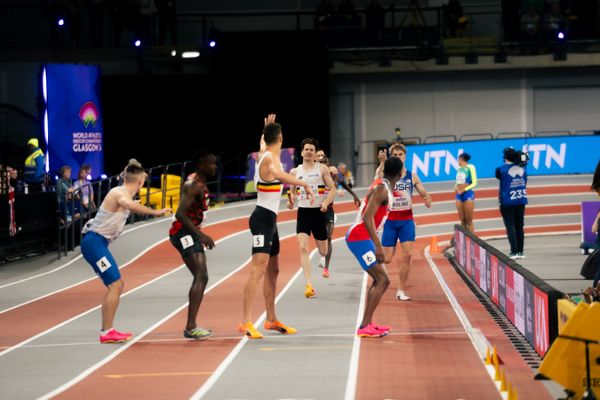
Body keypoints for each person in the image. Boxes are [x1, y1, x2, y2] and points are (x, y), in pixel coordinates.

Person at [239, 114, 315, 339]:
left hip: (270, 220)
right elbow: (281, 175)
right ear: (280, 138)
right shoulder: (270, 160)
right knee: (258, 269)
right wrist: (303, 184)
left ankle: (271, 319)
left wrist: (265, 129)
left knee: (274, 270)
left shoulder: (265, 152)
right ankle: (245, 321)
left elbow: (263, 142)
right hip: (262, 218)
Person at [80, 163, 171, 343]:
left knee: (117, 284)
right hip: (93, 243)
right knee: (115, 284)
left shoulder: (123, 191)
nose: (143, 185)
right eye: (143, 181)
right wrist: (156, 211)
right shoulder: (119, 194)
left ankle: (107, 330)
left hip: (99, 243)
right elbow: (128, 204)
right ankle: (107, 332)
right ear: (139, 182)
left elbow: (131, 170)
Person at [345, 157, 403, 338]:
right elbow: (368, 217)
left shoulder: (381, 183)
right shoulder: (381, 189)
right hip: (359, 237)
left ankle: (368, 323)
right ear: (400, 174)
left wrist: (381, 161)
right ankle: (364, 326)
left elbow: (379, 174)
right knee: (384, 280)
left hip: (363, 237)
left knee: (379, 280)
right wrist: (378, 245)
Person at [169, 150, 217, 340]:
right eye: (210, 163)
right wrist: (201, 235)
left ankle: (192, 325)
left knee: (202, 276)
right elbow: (180, 214)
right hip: (182, 232)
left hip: (190, 232)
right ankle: (191, 327)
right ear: (201, 166)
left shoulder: (200, 182)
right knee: (201, 275)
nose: (214, 167)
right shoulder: (193, 185)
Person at [375, 143, 432, 301]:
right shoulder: (387, 175)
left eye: (401, 154)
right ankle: (373, 270)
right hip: (390, 222)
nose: (398, 157)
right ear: (392, 157)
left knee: (407, 255)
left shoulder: (411, 175)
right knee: (386, 259)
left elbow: (420, 188)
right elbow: (377, 177)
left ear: (405, 157)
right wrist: (382, 162)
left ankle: (400, 290)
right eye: (395, 155)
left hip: (406, 220)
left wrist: (426, 197)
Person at [288, 139, 337, 296]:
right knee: (303, 246)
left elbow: (333, 189)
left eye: (311, 149)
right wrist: (291, 201)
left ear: (315, 153)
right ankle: (308, 285)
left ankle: (322, 256)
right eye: (306, 149)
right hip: (303, 213)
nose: (308, 152)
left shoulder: (322, 169)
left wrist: (326, 203)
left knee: (323, 251)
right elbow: (292, 192)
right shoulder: (295, 172)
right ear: (302, 152)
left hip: (318, 212)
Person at [317, 153, 361, 278]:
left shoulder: (333, 175)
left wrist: (355, 196)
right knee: (321, 238)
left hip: (329, 210)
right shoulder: (316, 176)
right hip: (317, 211)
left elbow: (344, 183)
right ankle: (322, 255)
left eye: (325, 164)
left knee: (329, 237)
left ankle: (326, 267)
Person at [496, 148, 528, 259]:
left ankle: (514, 252)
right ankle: (520, 251)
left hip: (507, 201)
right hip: (520, 199)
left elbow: (500, 176)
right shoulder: (523, 169)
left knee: (510, 227)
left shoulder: (500, 170)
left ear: (504, 157)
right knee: (520, 226)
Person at [455, 152, 477, 232]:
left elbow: (474, 183)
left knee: (469, 220)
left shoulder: (470, 167)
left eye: (458, 159)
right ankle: (463, 243)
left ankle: (473, 243)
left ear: (461, 159)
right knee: (462, 221)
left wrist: (463, 190)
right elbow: (457, 183)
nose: (457, 161)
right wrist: (456, 188)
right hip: (459, 195)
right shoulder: (459, 169)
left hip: (467, 195)